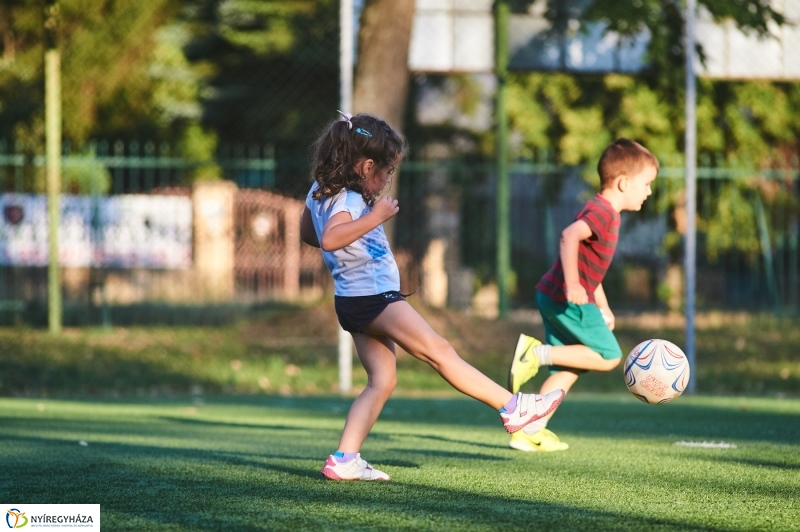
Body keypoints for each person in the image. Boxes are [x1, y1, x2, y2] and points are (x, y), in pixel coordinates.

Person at [300, 111, 565, 481]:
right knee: (439, 350)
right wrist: (374, 218)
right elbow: (329, 238)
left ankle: (345, 458)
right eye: (387, 171)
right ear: (365, 166)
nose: (389, 179)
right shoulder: (351, 201)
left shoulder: (319, 192)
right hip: (373, 296)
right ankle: (512, 408)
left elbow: (311, 233)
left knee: (383, 380)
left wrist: (348, 231)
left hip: (353, 298)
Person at [507, 139, 659, 453]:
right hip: (565, 299)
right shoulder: (603, 212)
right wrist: (574, 286)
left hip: (554, 296)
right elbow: (569, 236)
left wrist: (602, 305)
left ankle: (530, 429)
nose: (649, 191)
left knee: (570, 367)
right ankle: (535, 354)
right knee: (609, 356)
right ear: (623, 182)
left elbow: (591, 267)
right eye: (647, 184)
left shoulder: (604, 211)